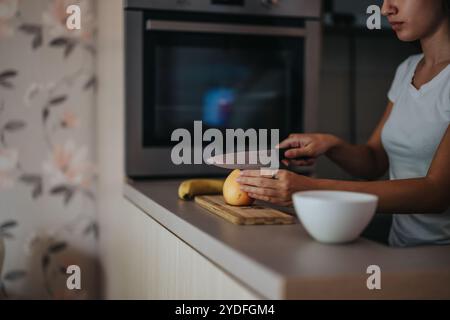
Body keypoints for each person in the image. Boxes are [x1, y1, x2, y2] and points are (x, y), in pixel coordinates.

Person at [237, 0, 450, 247]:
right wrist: (331, 145)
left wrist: (312, 189)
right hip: (402, 250)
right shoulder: (407, 69)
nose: (385, 8)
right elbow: (374, 161)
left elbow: (437, 193)